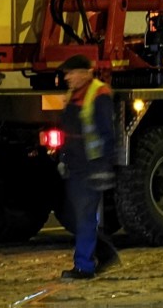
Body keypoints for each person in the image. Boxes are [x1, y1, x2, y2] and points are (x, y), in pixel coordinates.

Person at [58, 54, 120, 280]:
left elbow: (106, 132)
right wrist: (63, 159)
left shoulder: (98, 94)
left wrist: (103, 166)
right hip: (75, 164)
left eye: (71, 73)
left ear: (85, 73)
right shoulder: (74, 94)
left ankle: (84, 267)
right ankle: (105, 253)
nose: (67, 77)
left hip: (90, 166)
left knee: (83, 216)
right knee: (74, 217)